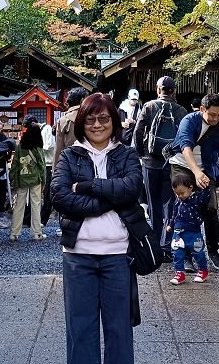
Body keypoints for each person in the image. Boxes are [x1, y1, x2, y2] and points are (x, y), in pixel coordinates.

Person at [50, 93, 144, 364]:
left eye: (104, 118)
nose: (97, 125)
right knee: (80, 331)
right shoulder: (69, 156)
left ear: (114, 121)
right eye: (90, 119)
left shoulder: (126, 155)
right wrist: (107, 202)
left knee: (119, 330)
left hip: (118, 256)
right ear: (81, 123)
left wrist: (90, 187)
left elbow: (132, 188)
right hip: (78, 255)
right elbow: (59, 195)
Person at [169, 93, 219, 270]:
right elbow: (186, 147)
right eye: (212, 115)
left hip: (205, 168)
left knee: (211, 208)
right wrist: (196, 172)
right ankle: (186, 256)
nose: (216, 118)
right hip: (182, 166)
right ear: (202, 110)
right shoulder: (189, 121)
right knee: (184, 210)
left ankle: (213, 251)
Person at [132, 76, 187, 256]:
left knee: (153, 204)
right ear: (174, 91)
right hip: (172, 162)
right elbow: (185, 137)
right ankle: (167, 244)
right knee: (170, 203)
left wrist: (141, 154)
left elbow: (138, 132)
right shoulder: (180, 110)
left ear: (158, 90)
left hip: (150, 162)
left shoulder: (149, 107)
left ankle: (154, 246)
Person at [165, 167, 211, 284]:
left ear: (190, 187)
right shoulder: (178, 201)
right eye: (177, 194)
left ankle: (203, 270)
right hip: (178, 232)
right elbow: (174, 214)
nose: (180, 196)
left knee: (198, 252)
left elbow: (205, 197)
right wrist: (171, 224)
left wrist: (206, 186)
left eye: (182, 193)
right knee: (177, 253)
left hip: (193, 232)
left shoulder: (196, 198)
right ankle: (179, 273)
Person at [10, 117, 47, 241]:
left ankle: (14, 233)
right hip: (35, 178)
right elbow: (41, 164)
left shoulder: (21, 145)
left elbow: (15, 163)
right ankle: (36, 233)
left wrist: (12, 178)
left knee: (19, 205)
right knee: (36, 205)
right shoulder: (37, 146)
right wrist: (44, 180)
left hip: (22, 178)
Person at [53, 87, 90, 170]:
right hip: (90, 163)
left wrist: (55, 171)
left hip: (69, 165)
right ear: (82, 100)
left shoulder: (62, 121)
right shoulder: (91, 118)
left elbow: (58, 149)